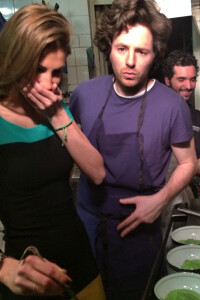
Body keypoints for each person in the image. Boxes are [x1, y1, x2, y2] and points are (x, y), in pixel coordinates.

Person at [69, 0, 197, 299]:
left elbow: (188, 163)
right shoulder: (85, 95)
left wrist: (161, 200)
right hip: (86, 226)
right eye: (121, 48)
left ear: (154, 55)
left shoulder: (172, 105)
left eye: (141, 51)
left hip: (139, 231)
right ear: (108, 47)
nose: (130, 61)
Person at [0, 4, 106, 299]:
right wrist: (1, 267)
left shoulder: (58, 111)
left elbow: (97, 172)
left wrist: (57, 113)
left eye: (56, 72)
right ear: (14, 63)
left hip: (80, 262)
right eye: (37, 70)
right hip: (27, 274)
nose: (48, 82)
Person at [162, 49, 200, 175]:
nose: (188, 86)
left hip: (182, 191)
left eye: (192, 79)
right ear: (167, 80)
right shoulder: (150, 112)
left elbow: (195, 165)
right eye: (181, 79)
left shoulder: (198, 120)